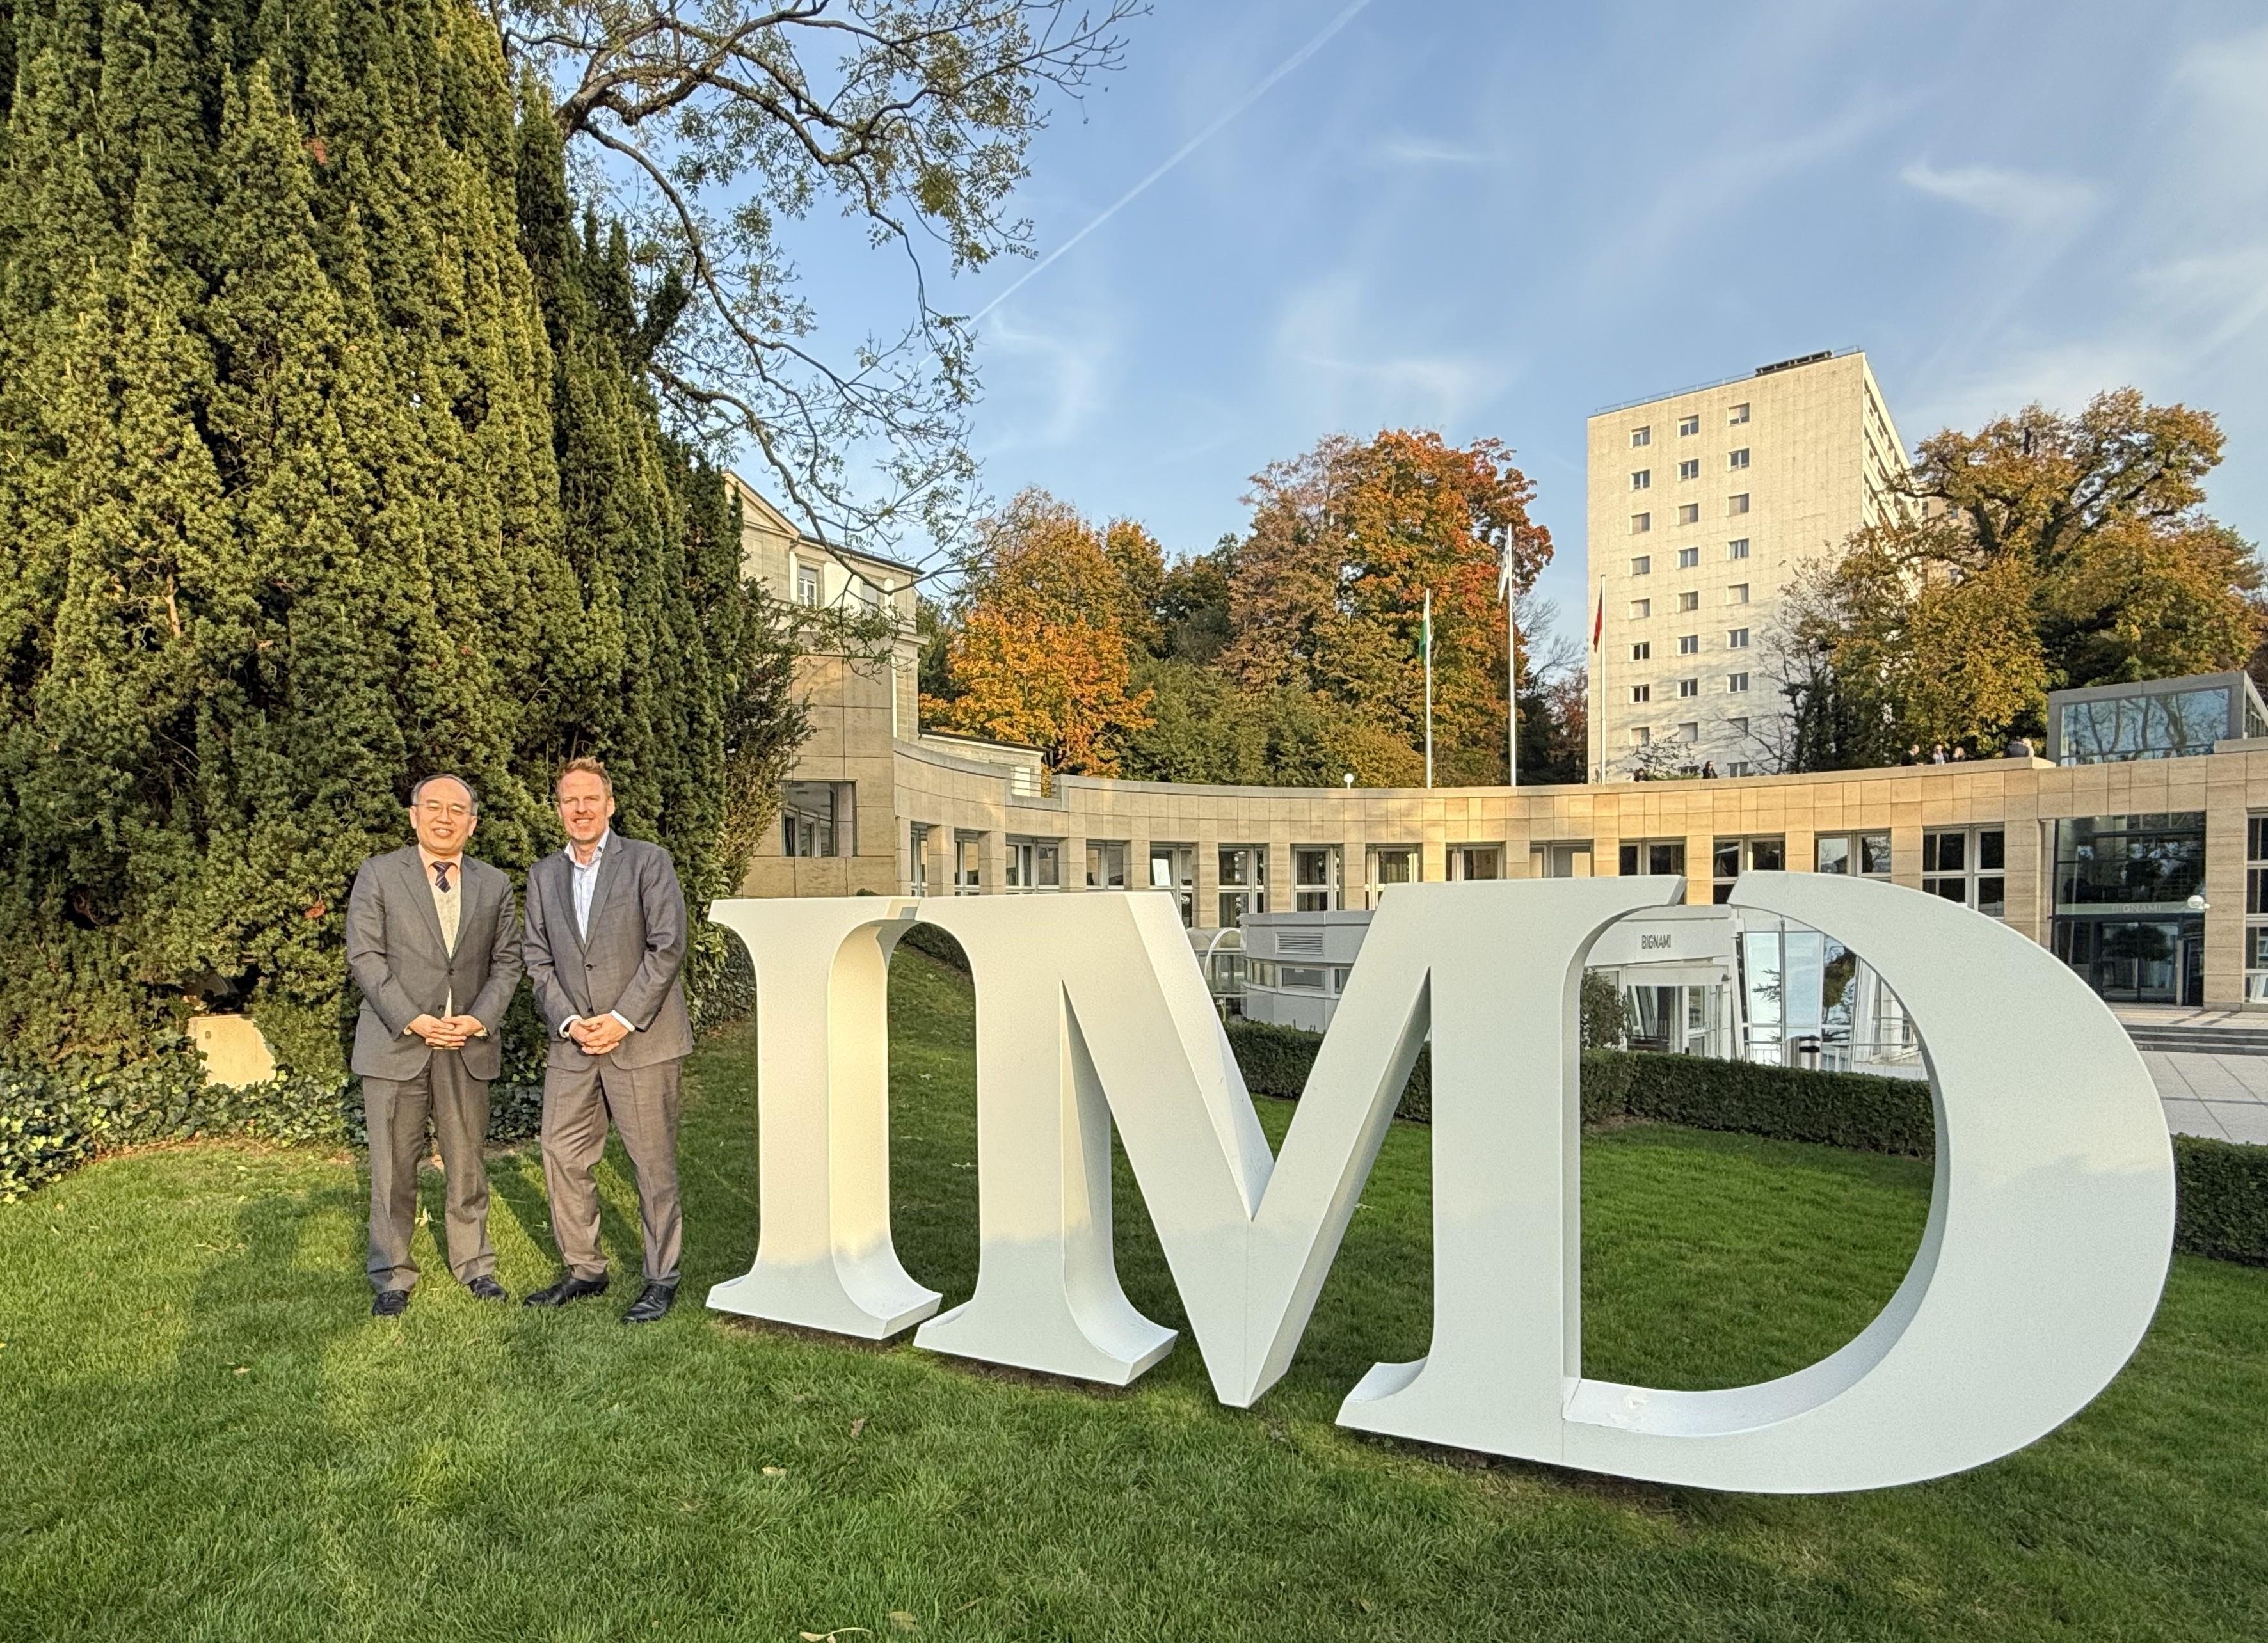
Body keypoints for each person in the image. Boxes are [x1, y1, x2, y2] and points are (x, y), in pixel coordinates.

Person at [521, 757, 694, 1324]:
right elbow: (536, 957)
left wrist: (621, 1018)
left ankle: (660, 1276)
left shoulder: (648, 862)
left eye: (590, 798)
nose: (580, 808)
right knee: (561, 1152)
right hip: (573, 1043)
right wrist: (570, 1021)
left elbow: (667, 946)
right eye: (569, 799)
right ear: (559, 809)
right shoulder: (543, 875)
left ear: (610, 804)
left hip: (640, 1039)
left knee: (651, 1164)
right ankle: (584, 1269)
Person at [345, 775, 523, 1317]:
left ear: (473, 822)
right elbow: (365, 957)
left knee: (467, 1161)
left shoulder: (495, 885)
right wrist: (415, 1019)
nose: (445, 817)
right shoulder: (379, 874)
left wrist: (477, 1019)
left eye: (458, 809)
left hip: (465, 1045)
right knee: (393, 1167)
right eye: (434, 807)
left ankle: (475, 1265)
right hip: (396, 1043)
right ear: (414, 815)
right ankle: (393, 1274)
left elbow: (508, 961)